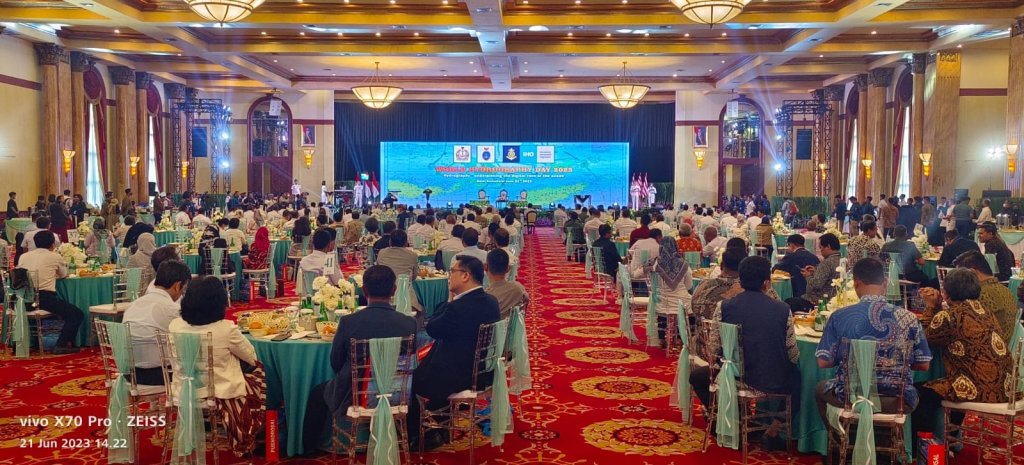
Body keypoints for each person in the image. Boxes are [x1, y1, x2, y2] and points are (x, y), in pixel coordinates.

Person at [814, 257, 931, 453]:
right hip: (898, 400)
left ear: (855, 283)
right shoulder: (909, 318)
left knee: (819, 389)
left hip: (851, 397)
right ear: (885, 283)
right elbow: (924, 365)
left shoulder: (840, 317)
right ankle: (886, 446)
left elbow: (823, 362)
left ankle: (842, 444)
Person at [301, 265, 417, 454]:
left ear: (364, 290)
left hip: (355, 395)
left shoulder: (349, 322)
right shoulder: (409, 323)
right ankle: (411, 437)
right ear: (394, 290)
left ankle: (308, 450)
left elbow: (336, 362)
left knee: (317, 392)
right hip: (398, 394)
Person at [689, 256, 800, 445]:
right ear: (767, 283)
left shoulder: (724, 307)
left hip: (734, 378)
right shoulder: (783, 309)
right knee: (797, 376)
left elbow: (714, 349)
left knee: (697, 376)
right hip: (772, 380)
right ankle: (774, 428)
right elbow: (793, 354)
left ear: (740, 281)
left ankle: (726, 420)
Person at [408, 255, 500, 449]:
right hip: (482, 371)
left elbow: (432, 328)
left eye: (452, 272)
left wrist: (450, 301)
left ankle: (422, 435)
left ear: (465, 276)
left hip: (457, 375)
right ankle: (440, 422)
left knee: (408, 381)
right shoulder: (491, 301)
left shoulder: (458, 308)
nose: (449, 277)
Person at [168, 276, 264, 457]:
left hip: (184, 387)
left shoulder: (175, 326)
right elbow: (252, 357)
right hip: (220, 390)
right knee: (259, 373)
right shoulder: (226, 329)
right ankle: (252, 430)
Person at [912, 269, 1014, 439]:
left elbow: (924, 339)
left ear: (947, 293)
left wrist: (931, 307)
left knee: (918, 393)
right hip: (1005, 386)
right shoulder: (985, 311)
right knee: (953, 384)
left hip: (978, 387)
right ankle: (951, 438)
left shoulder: (950, 315)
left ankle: (926, 446)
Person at [121, 260, 191, 385]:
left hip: (129, 372)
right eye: (183, 289)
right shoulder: (172, 309)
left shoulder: (132, 305)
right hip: (162, 374)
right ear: (177, 286)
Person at [16, 231, 83, 354]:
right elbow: (63, 274)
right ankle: (61, 344)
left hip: (23, 299)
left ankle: (35, 341)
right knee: (76, 314)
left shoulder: (23, 257)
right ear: (52, 244)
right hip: (44, 298)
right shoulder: (54, 256)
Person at [951, 250, 1017, 341]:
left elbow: (960, 326)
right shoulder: (1005, 290)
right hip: (1006, 343)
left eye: (961, 277)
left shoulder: (980, 295)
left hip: (992, 346)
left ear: (973, 273)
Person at [786, 234, 841, 313]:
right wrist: (816, 271)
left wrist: (808, 276)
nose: (821, 251)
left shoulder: (827, 263)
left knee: (788, 303)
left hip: (817, 301)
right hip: (834, 298)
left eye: (821, 248)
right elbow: (830, 276)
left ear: (828, 246)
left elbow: (816, 284)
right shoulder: (842, 260)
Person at [375, 230, 424, 313]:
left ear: (390, 241)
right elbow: (414, 276)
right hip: (405, 294)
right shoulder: (412, 255)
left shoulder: (381, 253)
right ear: (406, 242)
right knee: (421, 309)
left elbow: (378, 271)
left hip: (384, 291)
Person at [773, 234, 820, 304]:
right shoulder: (814, 257)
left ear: (791, 245)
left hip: (797, 292)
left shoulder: (791, 256)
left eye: (788, 246)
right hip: (815, 294)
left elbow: (776, 268)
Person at [654, 236, 693, 316]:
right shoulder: (684, 264)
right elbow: (689, 286)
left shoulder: (655, 263)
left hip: (662, 305)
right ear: (676, 247)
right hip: (682, 305)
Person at [485, 249, 528, 319]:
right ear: (508, 268)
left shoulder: (486, 296)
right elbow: (525, 302)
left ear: (485, 267)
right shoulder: (518, 288)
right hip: (512, 325)